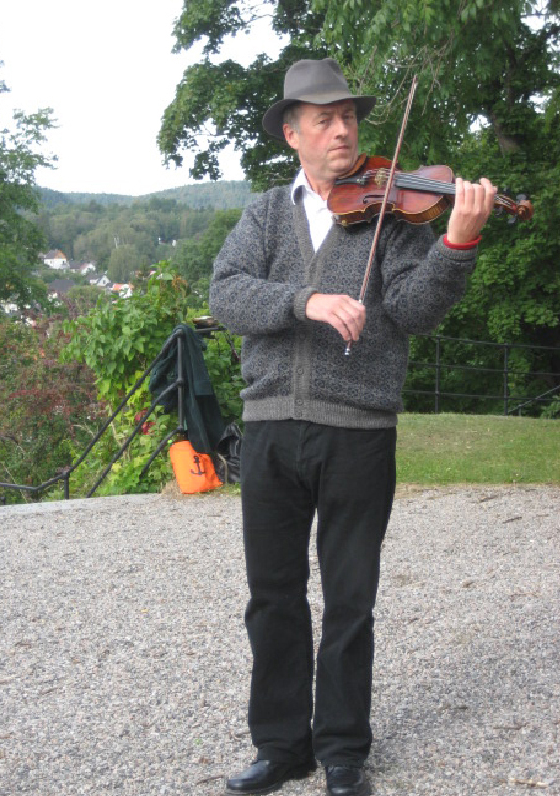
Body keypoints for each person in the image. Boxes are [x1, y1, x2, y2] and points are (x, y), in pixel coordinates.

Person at [209, 58, 495, 796]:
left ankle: (342, 752)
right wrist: (304, 301)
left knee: (349, 599)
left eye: (349, 118)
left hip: (358, 431)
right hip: (271, 427)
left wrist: (455, 244)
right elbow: (227, 293)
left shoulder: (394, 212)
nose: (342, 130)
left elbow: (412, 310)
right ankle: (280, 746)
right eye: (324, 119)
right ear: (292, 132)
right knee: (271, 594)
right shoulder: (266, 214)